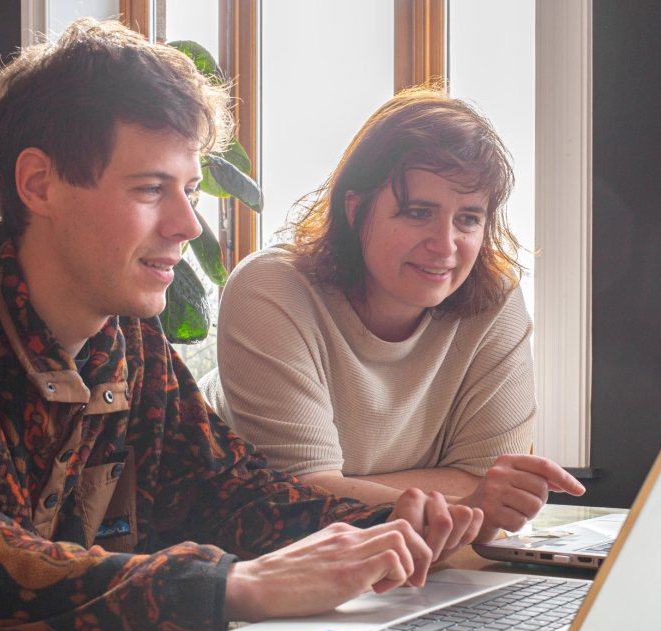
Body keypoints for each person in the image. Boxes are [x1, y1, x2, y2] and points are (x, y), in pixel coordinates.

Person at [0, 20, 486, 631]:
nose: (188, 225)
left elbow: (232, 493)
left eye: (188, 189)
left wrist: (398, 529)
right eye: (149, 189)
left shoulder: (128, 341)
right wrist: (227, 587)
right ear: (39, 184)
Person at [200, 88, 585, 539]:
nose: (445, 246)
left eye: (469, 219)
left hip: (419, 562)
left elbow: (487, 486)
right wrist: (462, 501)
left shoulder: (494, 298)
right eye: (419, 212)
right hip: (254, 558)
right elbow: (300, 501)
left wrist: (346, 488)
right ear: (356, 209)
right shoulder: (273, 289)